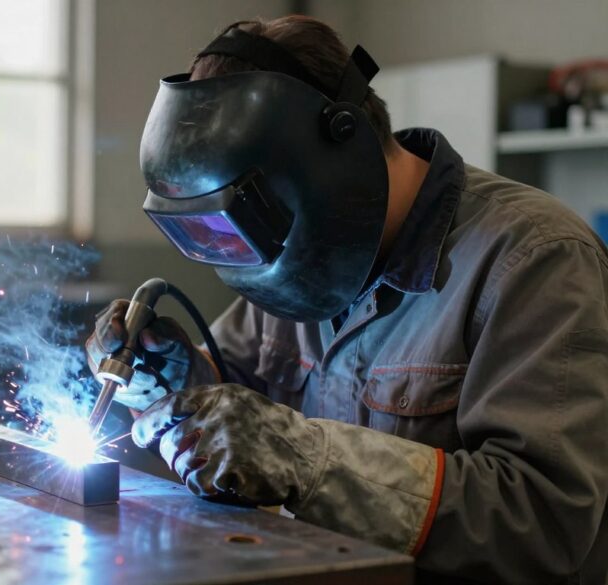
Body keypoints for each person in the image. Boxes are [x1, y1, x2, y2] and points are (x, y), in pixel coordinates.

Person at [86, 15, 608, 585]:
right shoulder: (287, 257)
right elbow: (239, 402)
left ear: (334, 153)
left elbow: (540, 523)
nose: (239, 255)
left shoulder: (534, 258)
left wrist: (309, 461)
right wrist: (176, 380)